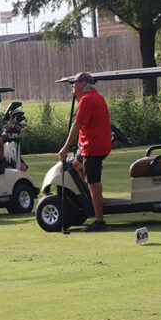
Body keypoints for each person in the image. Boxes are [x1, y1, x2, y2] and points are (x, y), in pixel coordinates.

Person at [58, 72, 112, 232]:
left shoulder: (87, 100)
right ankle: (91, 200)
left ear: (82, 83)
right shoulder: (95, 97)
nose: (72, 86)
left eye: (74, 83)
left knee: (94, 184)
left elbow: (77, 125)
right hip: (97, 146)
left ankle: (100, 221)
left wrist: (65, 148)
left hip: (93, 148)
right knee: (76, 165)